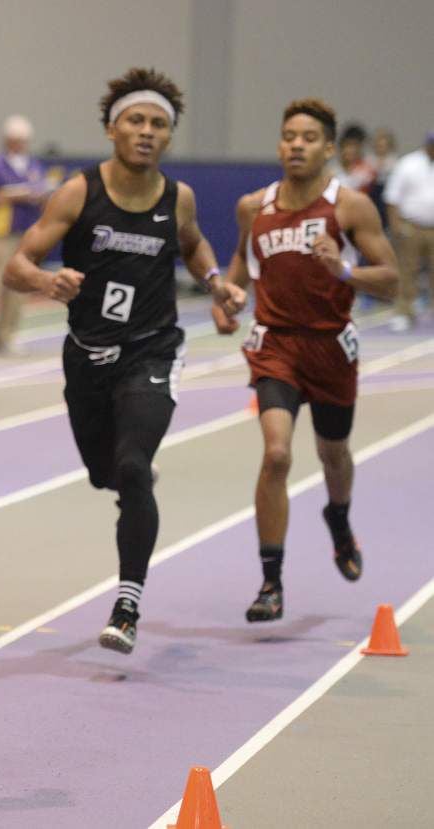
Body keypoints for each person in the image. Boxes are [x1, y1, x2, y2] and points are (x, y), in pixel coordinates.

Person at [4, 68, 244, 653]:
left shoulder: (177, 198)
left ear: (168, 136)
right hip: (87, 357)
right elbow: (16, 266)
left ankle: (127, 604)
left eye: (159, 125)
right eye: (136, 120)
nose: (147, 132)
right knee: (104, 472)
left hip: (151, 350)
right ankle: (125, 475)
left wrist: (215, 281)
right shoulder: (79, 193)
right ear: (113, 129)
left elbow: (191, 243)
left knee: (134, 466)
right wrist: (46, 278)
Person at [211, 98, 398, 623]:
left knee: (333, 453)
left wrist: (345, 273)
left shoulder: (351, 206)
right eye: (289, 135)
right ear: (278, 144)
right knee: (276, 455)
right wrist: (225, 299)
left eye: (309, 137)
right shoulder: (254, 206)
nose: (297, 144)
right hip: (276, 345)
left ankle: (338, 519)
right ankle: (271, 582)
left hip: (332, 346)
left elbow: (391, 280)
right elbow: (239, 270)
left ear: (329, 148)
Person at [0, 115, 51, 354]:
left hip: (26, 233)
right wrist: (15, 194)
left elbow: (43, 191)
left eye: (23, 140)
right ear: (6, 140)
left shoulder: (33, 165)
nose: (19, 144)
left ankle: (7, 335)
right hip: (0, 234)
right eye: (15, 140)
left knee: (19, 287)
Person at [384, 130, 434, 332]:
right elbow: (392, 196)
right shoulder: (408, 164)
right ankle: (403, 312)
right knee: (407, 271)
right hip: (412, 227)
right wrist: (397, 227)